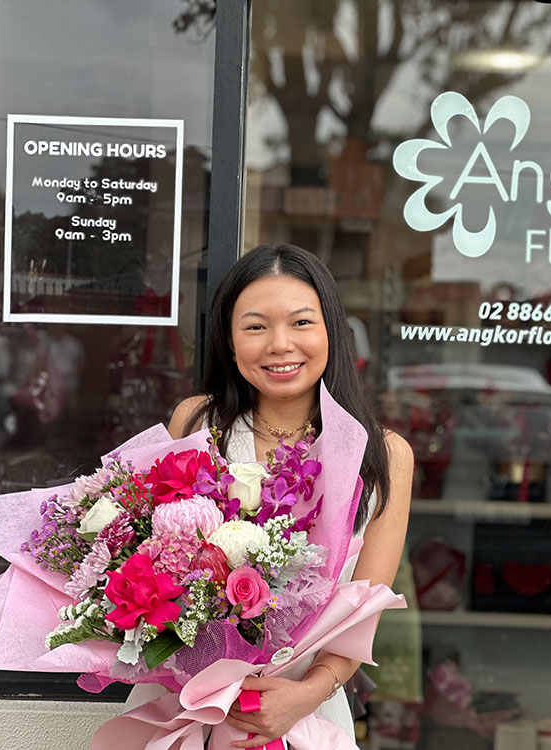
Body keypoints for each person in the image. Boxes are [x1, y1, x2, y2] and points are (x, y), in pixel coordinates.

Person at [165, 243, 414, 749]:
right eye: (256, 326)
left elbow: (364, 610)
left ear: (331, 334)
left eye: (302, 323)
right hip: (185, 704)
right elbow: (154, 561)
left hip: (305, 712)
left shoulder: (383, 455)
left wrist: (305, 695)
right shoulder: (197, 425)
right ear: (230, 340)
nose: (281, 345)